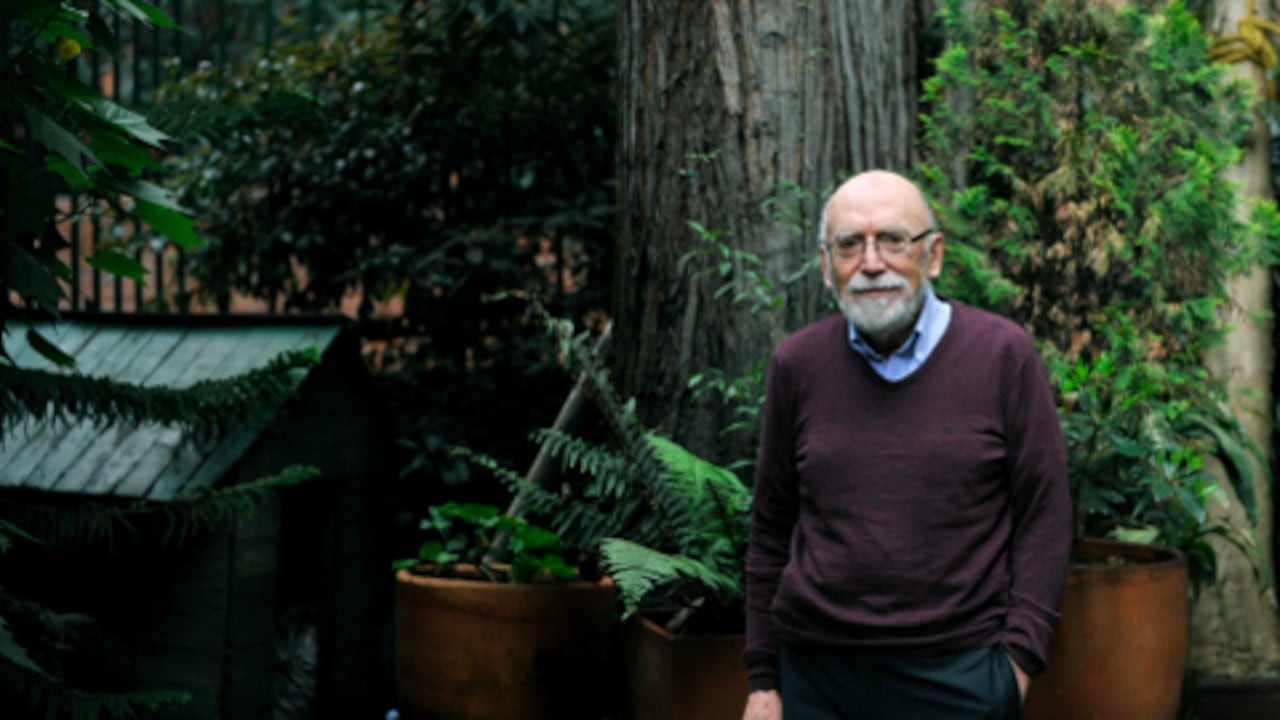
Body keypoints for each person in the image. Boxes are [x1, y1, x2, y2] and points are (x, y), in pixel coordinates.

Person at [742, 170, 1071, 720]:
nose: (872, 263)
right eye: (850, 245)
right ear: (826, 266)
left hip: (962, 676)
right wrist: (763, 682)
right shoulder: (797, 365)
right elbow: (772, 526)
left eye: (893, 240)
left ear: (933, 255)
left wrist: (1016, 665)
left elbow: (1045, 514)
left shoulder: (1002, 356)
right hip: (817, 679)